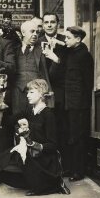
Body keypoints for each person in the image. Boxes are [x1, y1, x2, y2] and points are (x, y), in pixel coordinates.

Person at [0, 79, 70, 196]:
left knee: (25, 157)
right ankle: (32, 181)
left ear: (41, 94)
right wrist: (1, 98)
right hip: (31, 153)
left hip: (44, 157)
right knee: (3, 160)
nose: (27, 95)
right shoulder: (29, 111)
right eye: (27, 92)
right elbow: (9, 121)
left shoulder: (48, 115)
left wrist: (32, 139)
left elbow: (53, 145)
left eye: (31, 92)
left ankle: (45, 184)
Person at [39, 12, 70, 175]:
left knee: (62, 128)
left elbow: (70, 66)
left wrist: (56, 58)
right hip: (43, 92)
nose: (49, 25)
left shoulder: (66, 41)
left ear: (58, 24)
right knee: (46, 130)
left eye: (52, 22)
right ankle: (48, 166)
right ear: (43, 25)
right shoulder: (37, 42)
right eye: (46, 22)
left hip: (61, 92)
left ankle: (64, 166)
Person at [64, 26, 94, 182]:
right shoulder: (71, 53)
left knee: (79, 137)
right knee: (72, 136)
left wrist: (83, 105)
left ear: (78, 39)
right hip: (71, 103)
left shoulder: (84, 56)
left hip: (79, 104)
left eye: (68, 37)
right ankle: (72, 168)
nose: (65, 40)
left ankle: (78, 171)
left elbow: (88, 83)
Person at [11, 20, 53, 115]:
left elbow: (48, 72)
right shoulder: (14, 49)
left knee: (35, 121)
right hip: (17, 92)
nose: (35, 34)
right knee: (18, 120)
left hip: (36, 93)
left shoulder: (43, 49)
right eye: (32, 31)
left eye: (37, 32)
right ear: (23, 32)